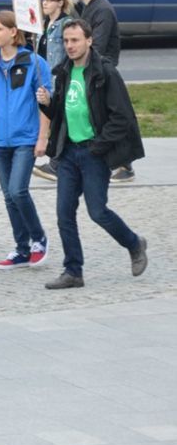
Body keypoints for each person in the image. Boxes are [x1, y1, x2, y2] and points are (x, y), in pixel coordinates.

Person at [36, 20, 148, 289]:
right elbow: (63, 113)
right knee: (64, 213)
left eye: (75, 40)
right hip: (68, 152)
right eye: (66, 41)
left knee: (97, 211)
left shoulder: (104, 72)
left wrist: (98, 147)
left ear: (89, 41)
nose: (70, 46)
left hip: (93, 152)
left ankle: (134, 243)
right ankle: (73, 271)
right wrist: (49, 105)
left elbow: (122, 118)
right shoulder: (63, 71)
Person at [0, 10, 53, 271]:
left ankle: (39, 239)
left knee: (18, 190)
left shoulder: (35, 63)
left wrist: (42, 137)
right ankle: (22, 248)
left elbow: (45, 104)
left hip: (26, 139)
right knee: (8, 196)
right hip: (0, 141)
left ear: (13, 32)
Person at [71, 0, 132, 183]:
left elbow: (98, 43)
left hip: (103, 71)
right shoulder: (90, 7)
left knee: (113, 116)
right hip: (95, 69)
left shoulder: (102, 10)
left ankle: (126, 164)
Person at [32, 0, 77, 183]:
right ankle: (58, 161)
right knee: (53, 120)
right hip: (44, 80)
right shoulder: (44, 24)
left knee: (58, 121)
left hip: (57, 80)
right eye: (44, 0)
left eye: (50, 0)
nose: (45, 3)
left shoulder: (64, 23)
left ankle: (57, 163)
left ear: (60, 3)